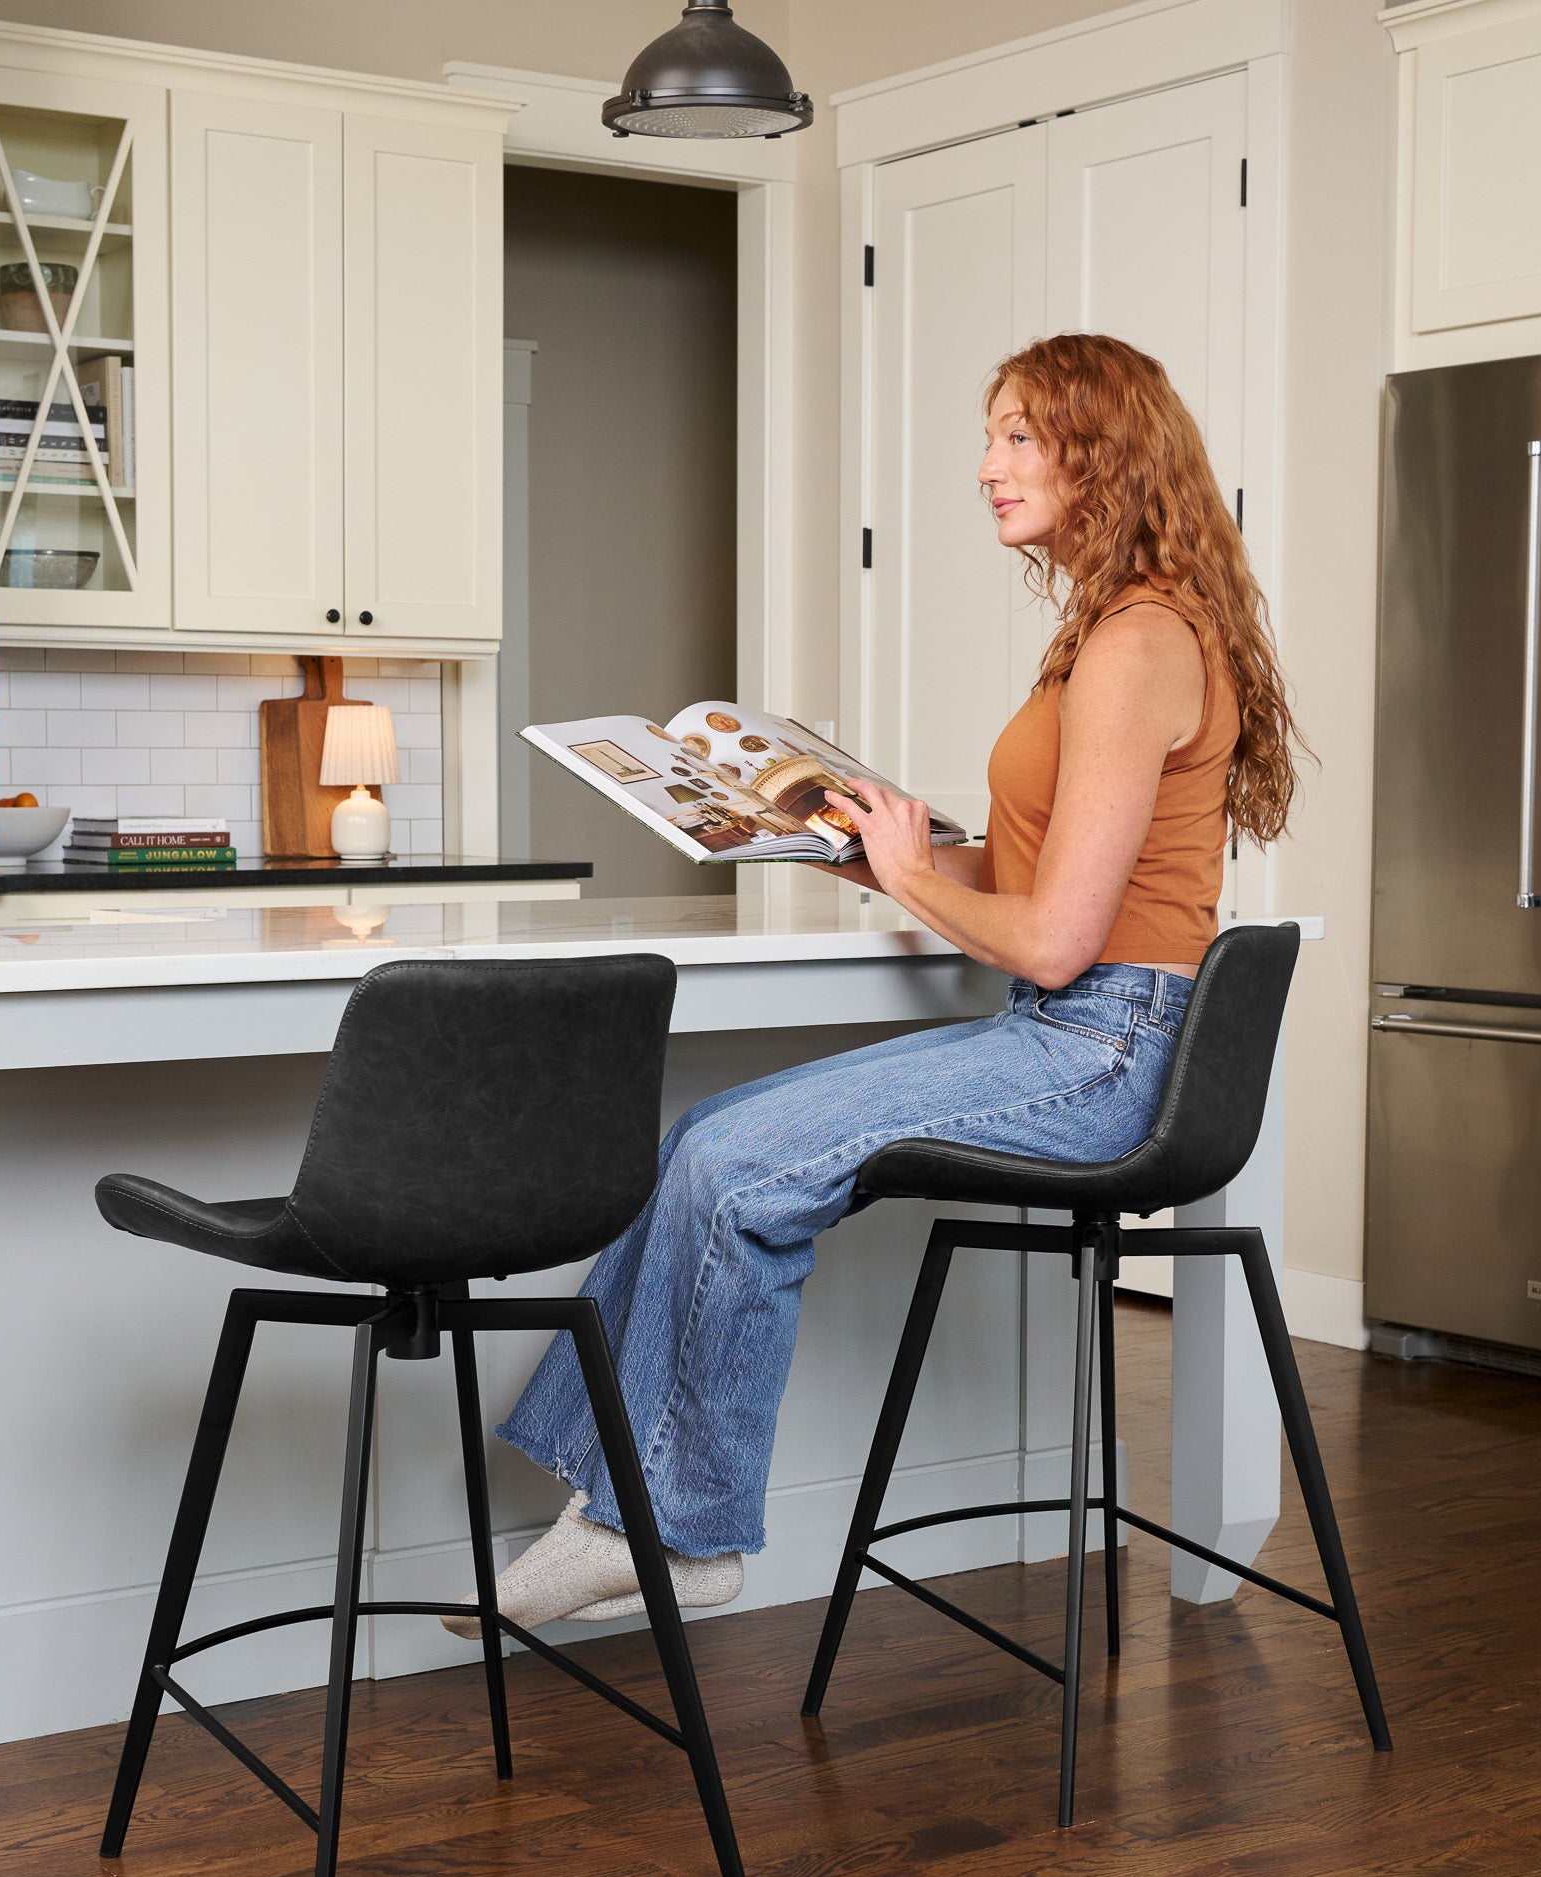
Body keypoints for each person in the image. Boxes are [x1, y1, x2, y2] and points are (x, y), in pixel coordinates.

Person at [445, 331, 1303, 1638]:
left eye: (1018, 436)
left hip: (1109, 1047)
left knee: (735, 1166)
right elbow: (1031, 869)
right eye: (994, 434)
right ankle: (621, 1513)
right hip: (1090, 1032)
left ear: (1103, 449)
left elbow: (1060, 941)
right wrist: (848, 845)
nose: (987, 466)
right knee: (701, 1145)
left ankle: (674, 1536)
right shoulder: (1114, 632)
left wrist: (912, 883)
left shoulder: (1137, 644)